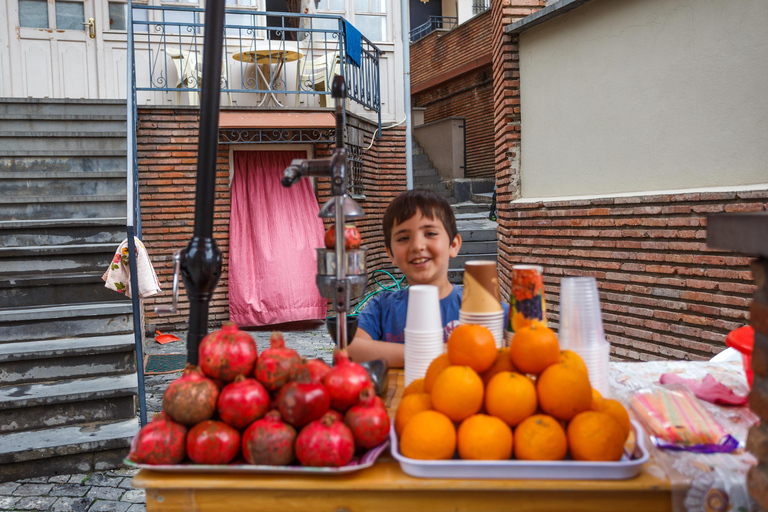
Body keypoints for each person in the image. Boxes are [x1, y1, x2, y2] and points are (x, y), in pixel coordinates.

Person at [349, 189, 505, 368]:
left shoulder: (479, 304)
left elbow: (526, 339)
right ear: (390, 254)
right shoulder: (382, 308)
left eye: (430, 233)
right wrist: (446, 352)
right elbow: (348, 350)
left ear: (453, 245)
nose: (417, 245)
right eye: (403, 238)